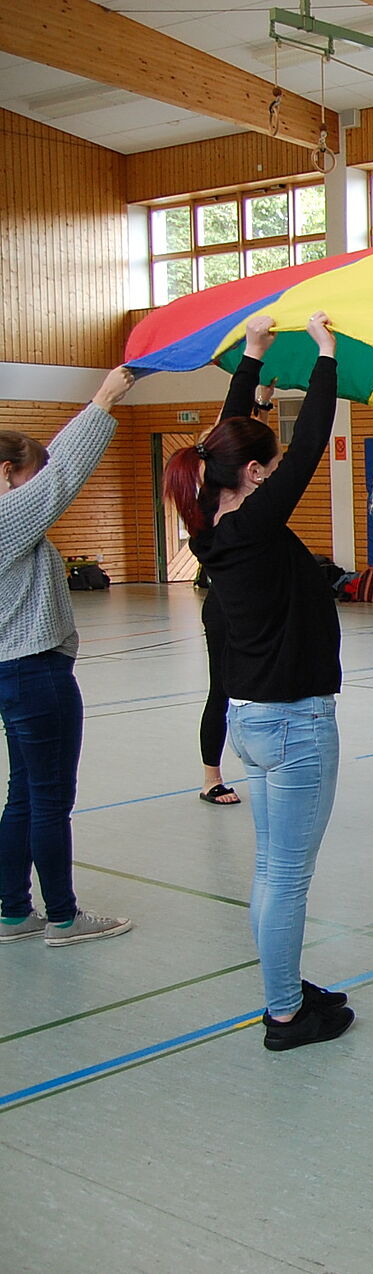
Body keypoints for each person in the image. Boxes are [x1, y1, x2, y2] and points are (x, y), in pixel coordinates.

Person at [161, 310, 353, 1051]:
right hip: (295, 724)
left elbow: (228, 436)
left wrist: (250, 358)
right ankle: (283, 1013)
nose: (275, 475)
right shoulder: (255, 525)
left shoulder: (213, 524)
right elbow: (306, 447)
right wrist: (326, 358)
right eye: (264, 469)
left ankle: (282, 986)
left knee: (274, 869)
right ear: (252, 476)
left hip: (254, 722)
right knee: (286, 878)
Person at [0, 366, 138, 948]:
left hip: (13, 673)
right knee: (51, 798)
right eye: (27, 481)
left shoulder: (10, 512)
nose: (38, 492)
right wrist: (105, 397)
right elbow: (63, 478)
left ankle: (12, 911)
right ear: (7, 476)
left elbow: (50, 469)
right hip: (36, 673)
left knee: (25, 794)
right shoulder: (7, 517)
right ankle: (62, 916)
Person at [198, 375, 276, 807]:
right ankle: (211, 775)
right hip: (226, 607)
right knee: (223, 688)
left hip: (252, 602)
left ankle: (263, 761)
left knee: (255, 686)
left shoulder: (237, 494)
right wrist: (250, 359)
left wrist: (261, 405)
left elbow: (238, 434)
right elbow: (229, 421)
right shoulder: (213, 500)